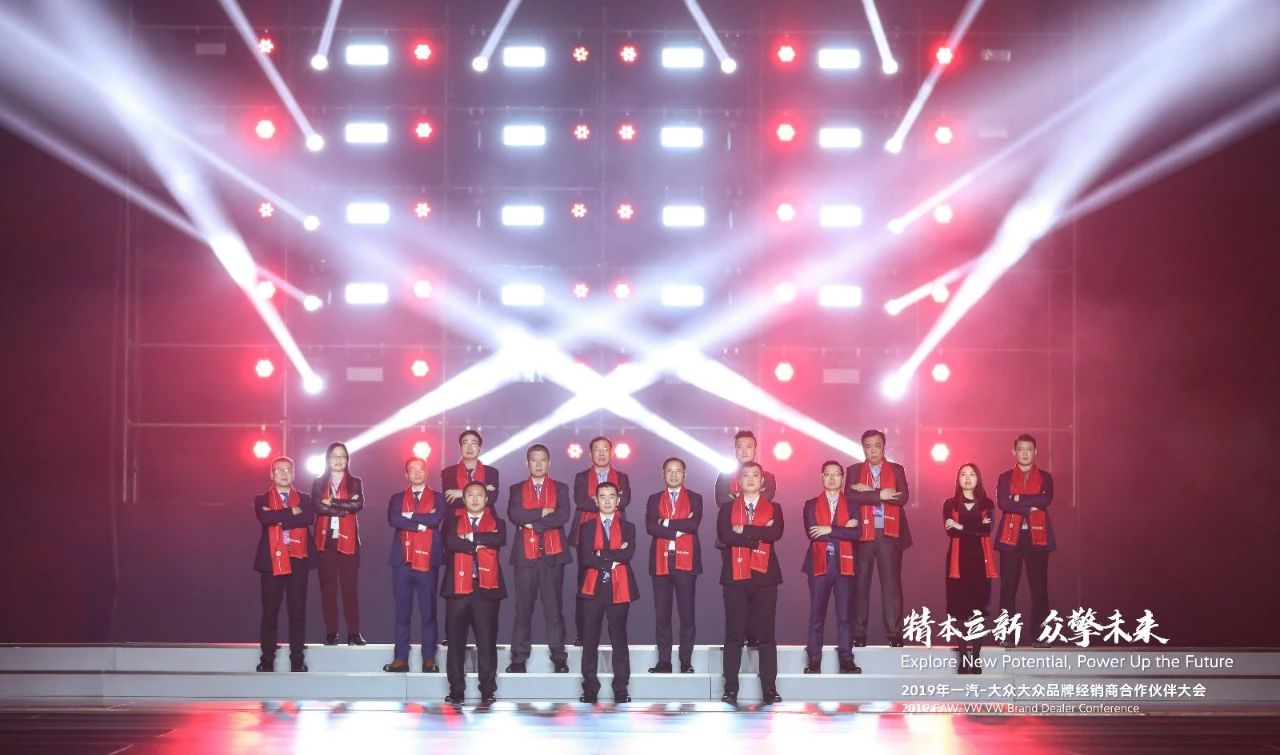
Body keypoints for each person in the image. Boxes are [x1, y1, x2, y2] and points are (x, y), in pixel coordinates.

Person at [716, 462, 784, 706]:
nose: (751, 479)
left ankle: (769, 689)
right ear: (739, 481)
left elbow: (775, 533)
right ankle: (730, 689)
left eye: (756, 475)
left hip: (765, 578)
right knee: (734, 635)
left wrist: (743, 529)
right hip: (735, 577)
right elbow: (725, 536)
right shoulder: (727, 508)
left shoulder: (774, 507)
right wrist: (756, 536)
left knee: (766, 636)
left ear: (762, 481)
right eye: (746, 475)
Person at [505, 443, 572, 673]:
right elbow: (515, 515)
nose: (539, 464)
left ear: (549, 462)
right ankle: (518, 658)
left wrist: (531, 523)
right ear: (527, 463)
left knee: (554, 610)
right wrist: (543, 512)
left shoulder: (560, 488)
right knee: (523, 609)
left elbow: (562, 516)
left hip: (553, 556)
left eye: (543, 459)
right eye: (534, 460)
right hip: (525, 556)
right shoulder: (516, 489)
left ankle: (559, 657)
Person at [441, 481, 508, 705]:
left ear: (486, 499)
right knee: (455, 642)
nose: (475, 498)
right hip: (457, 589)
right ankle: (456, 690)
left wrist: (468, 538)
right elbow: (450, 542)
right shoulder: (452, 521)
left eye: (480, 494)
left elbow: (498, 539)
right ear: (464, 499)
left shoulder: (497, 522)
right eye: (470, 495)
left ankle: (487, 690)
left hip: (485, 590)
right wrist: (478, 543)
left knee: (486, 642)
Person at [846, 429, 912, 647]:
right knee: (860, 585)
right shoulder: (854, 470)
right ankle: (858, 635)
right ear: (863, 448)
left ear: (884, 447)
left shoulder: (897, 469)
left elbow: (903, 497)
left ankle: (894, 634)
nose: (873, 450)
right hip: (863, 534)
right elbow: (850, 497)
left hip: (888, 533)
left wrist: (870, 490)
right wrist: (880, 494)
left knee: (891, 586)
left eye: (877, 446)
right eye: (868, 446)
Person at [713, 430, 777, 647]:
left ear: (756, 449)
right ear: (734, 450)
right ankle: (735, 637)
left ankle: (753, 635)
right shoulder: (724, 476)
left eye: (748, 446)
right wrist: (742, 498)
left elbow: (763, 501)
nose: (744, 451)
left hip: (759, 544)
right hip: (730, 543)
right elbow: (722, 502)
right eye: (739, 446)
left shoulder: (767, 476)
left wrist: (737, 499)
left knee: (758, 591)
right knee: (735, 594)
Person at [383, 456, 447, 673]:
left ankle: (429, 658)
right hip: (402, 561)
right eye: (412, 469)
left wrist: (409, 517)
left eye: (421, 469)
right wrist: (421, 523)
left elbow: (435, 520)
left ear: (427, 472)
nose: (417, 472)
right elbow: (394, 520)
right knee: (402, 612)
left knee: (428, 612)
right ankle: (401, 658)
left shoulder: (438, 498)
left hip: (428, 560)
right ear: (406, 474)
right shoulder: (397, 498)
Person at [253, 456, 316, 672]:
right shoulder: (261, 499)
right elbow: (265, 520)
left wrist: (278, 517)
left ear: (294, 474)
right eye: (279, 470)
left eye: (288, 470)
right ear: (271, 474)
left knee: (297, 612)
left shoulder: (305, 498)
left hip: (298, 559)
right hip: (272, 560)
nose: (283, 473)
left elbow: (308, 518)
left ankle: (297, 659)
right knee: (270, 612)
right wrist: (291, 512)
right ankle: (267, 659)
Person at [576, 482, 638, 703]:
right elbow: (587, 558)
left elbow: (627, 555)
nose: (607, 500)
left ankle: (621, 688)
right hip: (593, 588)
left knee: (619, 639)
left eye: (612, 496)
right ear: (596, 500)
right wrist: (612, 558)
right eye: (602, 496)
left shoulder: (628, 527)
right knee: (589, 639)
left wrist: (601, 554)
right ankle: (590, 688)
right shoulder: (587, 527)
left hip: (619, 587)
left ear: (618, 500)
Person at [995, 434, 1056, 648]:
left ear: (1035, 452)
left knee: (1039, 587)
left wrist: (1018, 499)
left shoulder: (1046, 477)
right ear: (1014, 452)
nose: (1025, 453)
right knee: (1008, 588)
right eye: (1021, 449)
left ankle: (1040, 635)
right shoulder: (1004, 477)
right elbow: (1003, 503)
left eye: (1029, 449)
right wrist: (1030, 507)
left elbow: (1045, 499)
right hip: (1010, 537)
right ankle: (1007, 635)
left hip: (1037, 537)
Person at [570, 436, 632, 645]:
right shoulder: (581, 477)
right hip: (587, 533)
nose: (602, 453)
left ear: (611, 452)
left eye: (605, 449)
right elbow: (581, 502)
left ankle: (617, 634)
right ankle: (583, 634)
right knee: (585, 582)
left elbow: (625, 501)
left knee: (618, 578)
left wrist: (596, 500)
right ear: (590, 454)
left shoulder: (622, 476)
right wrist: (610, 500)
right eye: (597, 449)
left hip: (616, 532)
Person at [801, 461, 861, 674]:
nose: (832, 478)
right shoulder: (810, 504)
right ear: (821, 477)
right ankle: (814, 659)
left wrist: (829, 529)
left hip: (845, 564)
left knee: (845, 615)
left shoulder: (852, 504)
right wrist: (842, 528)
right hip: (819, 563)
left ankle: (846, 659)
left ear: (842, 478)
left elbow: (857, 534)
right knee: (817, 615)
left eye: (836, 474)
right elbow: (812, 533)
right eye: (828, 474)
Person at [644, 456, 703, 674]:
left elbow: (693, 524)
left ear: (685, 474)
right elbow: (651, 527)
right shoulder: (654, 499)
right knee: (662, 616)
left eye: (678, 470)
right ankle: (664, 662)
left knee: (687, 615)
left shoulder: (695, 498)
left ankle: (685, 662)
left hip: (686, 562)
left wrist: (666, 522)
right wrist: (678, 530)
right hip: (661, 561)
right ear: (663, 474)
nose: (674, 474)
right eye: (670, 470)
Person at [943, 463, 997, 674]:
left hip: (980, 562)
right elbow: (950, 532)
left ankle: (976, 657)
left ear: (978, 478)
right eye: (963, 474)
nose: (967, 478)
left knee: (978, 611)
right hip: (957, 562)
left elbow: (987, 529)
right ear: (957, 479)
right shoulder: (949, 504)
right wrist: (973, 527)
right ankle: (963, 657)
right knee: (959, 611)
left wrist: (961, 526)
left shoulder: (987, 503)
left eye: (972, 474)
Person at [311, 442, 366, 645]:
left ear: (347, 459)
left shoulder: (355, 482)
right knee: (328, 588)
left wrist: (331, 502)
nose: (338, 459)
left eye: (342, 456)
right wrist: (344, 507)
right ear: (328, 459)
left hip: (349, 540)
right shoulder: (318, 482)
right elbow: (317, 506)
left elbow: (357, 505)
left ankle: (354, 633)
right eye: (334, 456)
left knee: (350, 588)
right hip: (326, 540)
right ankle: (331, 632)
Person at [442, 430, 499, 510]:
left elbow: (491, 499)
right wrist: (483, 489)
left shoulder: (491, 472)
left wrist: (461, 492)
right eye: (465, 443)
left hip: (486, 516)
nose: (469, 447)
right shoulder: (448, 473)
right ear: (460, 448)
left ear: (479, 448)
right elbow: (452, 501)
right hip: (456, 516)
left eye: (473, 443)